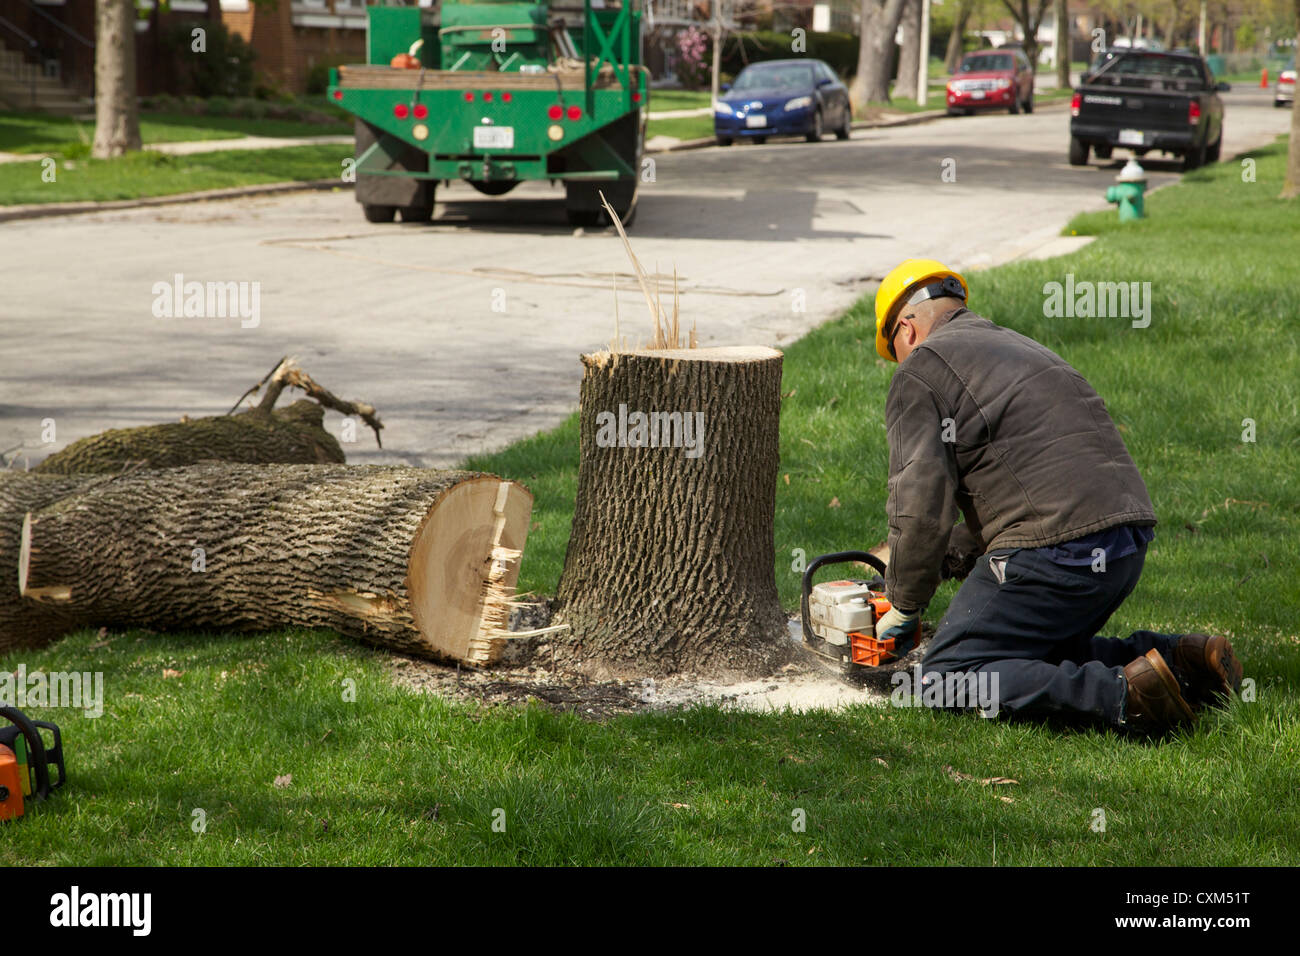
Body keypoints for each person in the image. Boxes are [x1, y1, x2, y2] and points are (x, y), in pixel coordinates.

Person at [868, 258, 1241, 736]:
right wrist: (946, 560)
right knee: (1022, 656)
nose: (899, 364)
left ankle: (1124, 696)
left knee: (948, 675)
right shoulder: (1019, 347)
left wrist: (902, 603)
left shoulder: (921, 369)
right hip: (1124, 543)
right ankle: (1182, 659)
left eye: (894, 351)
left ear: (907, 330)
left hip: (1059, 551)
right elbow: (1019, 487)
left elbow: (919, 507)